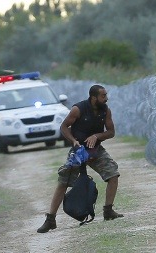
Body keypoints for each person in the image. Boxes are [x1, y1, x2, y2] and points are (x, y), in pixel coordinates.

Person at [37, 84, 123, 233]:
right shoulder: (78, 109)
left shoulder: (105, 111)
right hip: (78, 151)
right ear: (93, 97)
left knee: (113, 174)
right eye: (103, 96)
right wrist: (73, 141)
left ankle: (108, 211)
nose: (106, 98)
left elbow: (111, 132)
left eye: (106, 95)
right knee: (64, 181)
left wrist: (97, 136)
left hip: (95, 150)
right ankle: (50, 219)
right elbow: (64, 127)